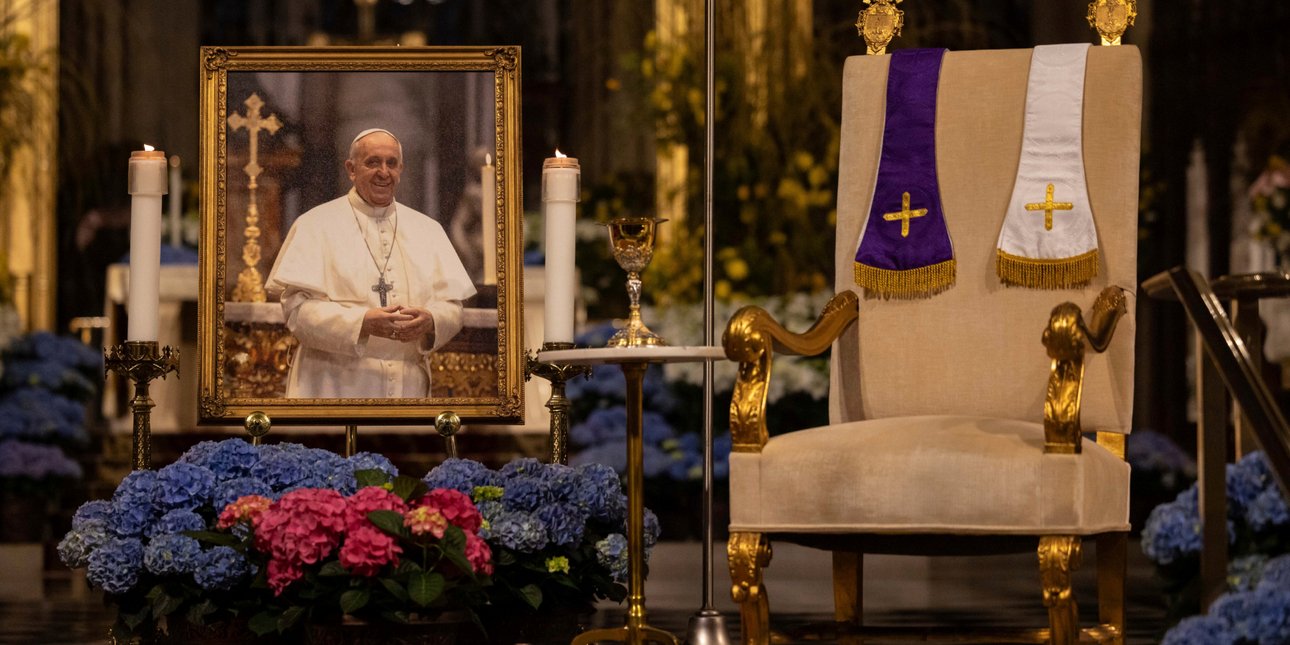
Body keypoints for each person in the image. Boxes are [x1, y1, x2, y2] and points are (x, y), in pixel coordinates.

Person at [266, 128, 476, 398]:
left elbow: (453, 308)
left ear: (400, 169)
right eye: (373, 162)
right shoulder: (315, 225)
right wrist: (362, 322)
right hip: (331, 384)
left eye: (391, 163)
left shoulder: (428, 229)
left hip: (407, 387)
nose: (383, 172)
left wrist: (432, 320)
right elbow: (297, 313)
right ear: (351, 169)